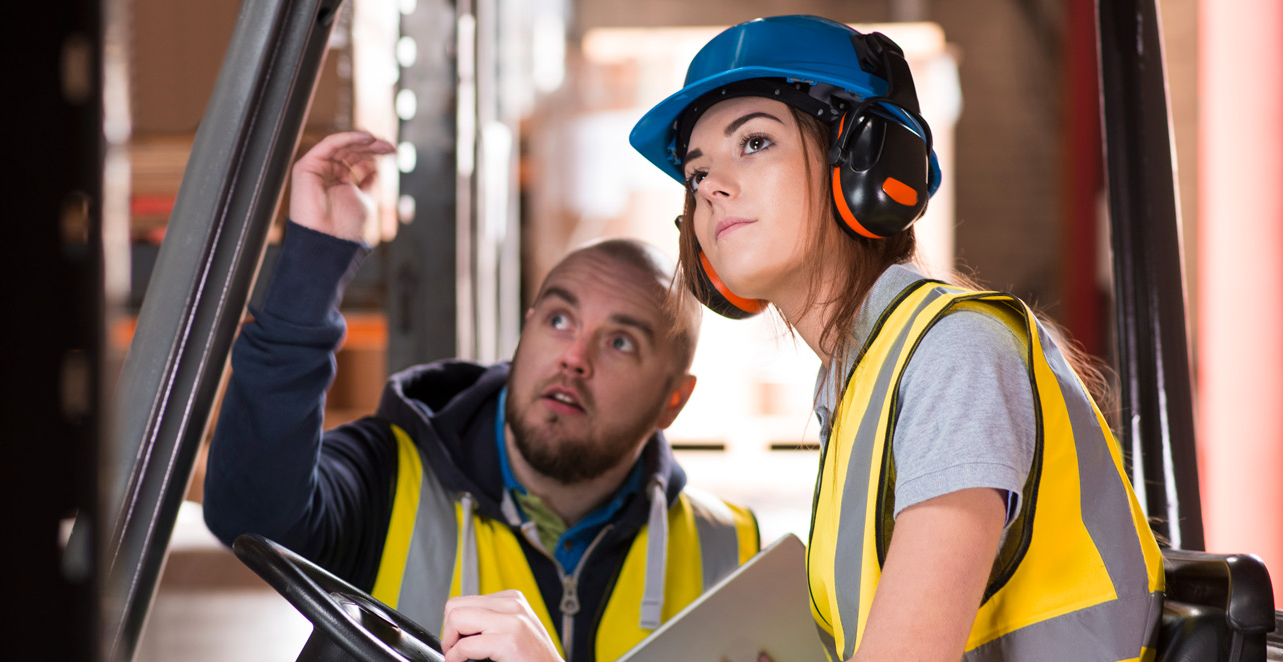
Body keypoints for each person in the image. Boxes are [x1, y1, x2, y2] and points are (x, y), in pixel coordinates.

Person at [627, 15, 1164, 662]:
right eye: (695, 172)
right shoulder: (861, 388)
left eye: (755, 143)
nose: (711, 186)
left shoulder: (954, 356)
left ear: (866, 159)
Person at [203, 131, 760, 662]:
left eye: (619, 341)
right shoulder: (389, 478)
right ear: (525, 333)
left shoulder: (730, 555)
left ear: (673, 400)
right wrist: (312, 265)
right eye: (559, 319)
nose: (574, 356)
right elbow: (252, 516)